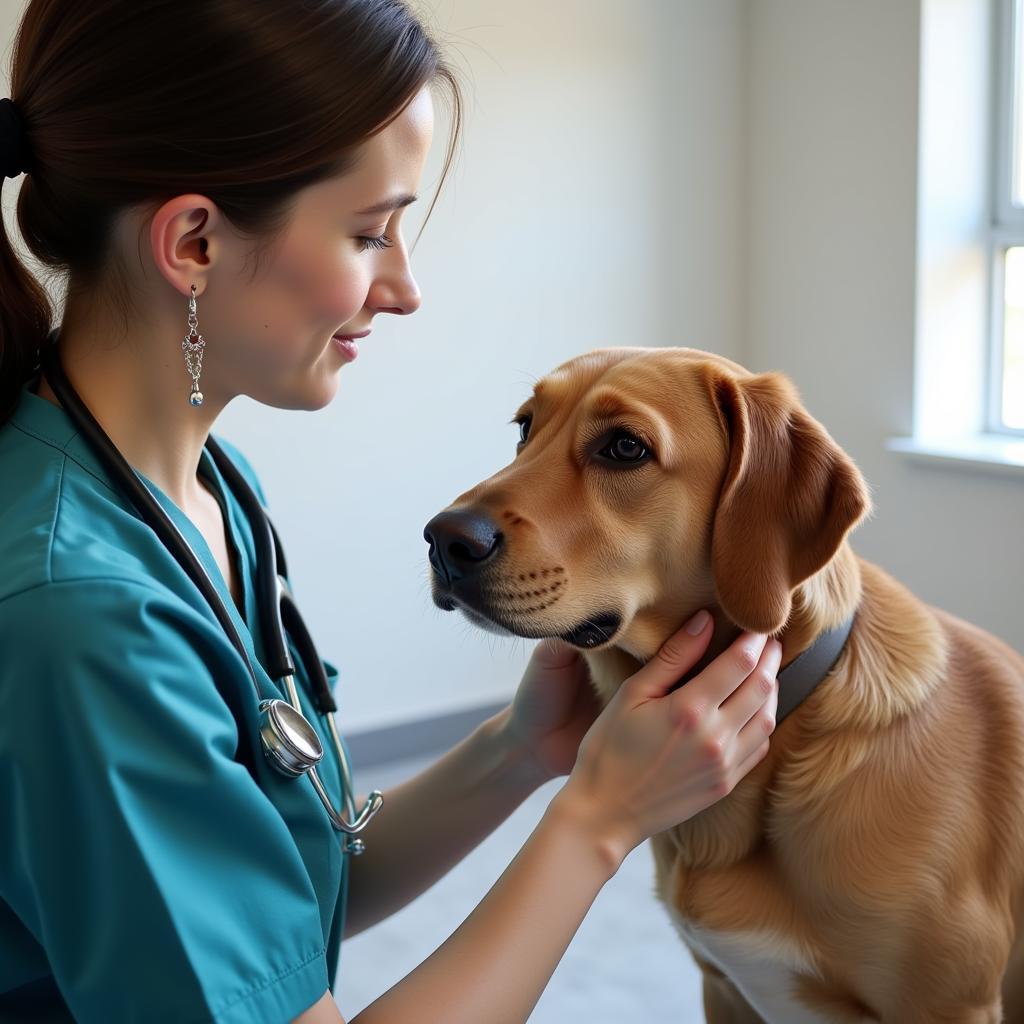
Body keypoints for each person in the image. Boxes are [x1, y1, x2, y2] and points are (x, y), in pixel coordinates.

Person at [0, 2, 781, 1022]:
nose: (404, 288)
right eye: (370, 233)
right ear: (192, 242)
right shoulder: (84, 618)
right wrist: (597, 820)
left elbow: (284, 892)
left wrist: (522, 750)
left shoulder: (211, 493)